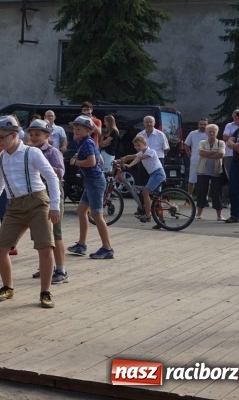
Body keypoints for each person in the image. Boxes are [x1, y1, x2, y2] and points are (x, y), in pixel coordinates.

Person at [0, 116, 61, 309]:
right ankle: (8, 287)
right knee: (0, 249)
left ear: (14, 135)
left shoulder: (31, 153)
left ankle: (45, 292)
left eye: (1, 137)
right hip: (14, 206)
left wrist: (55, 205)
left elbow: (51, 177)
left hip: (37, 203)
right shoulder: (0, 158)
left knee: (45, 248)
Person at [25, 119, 68, 284]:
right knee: (40, 234)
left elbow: (60, 173)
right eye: (32, 134)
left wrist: (47, 170)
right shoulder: (29, 152)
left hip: (52, 193)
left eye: (38, 134)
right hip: (36, 194)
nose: (34, 137)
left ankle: (61, 269)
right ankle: (45, 266)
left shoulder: (52, 152)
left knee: (55, 232)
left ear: (47, 136)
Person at [67, 115, 114, 259]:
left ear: (88, 130)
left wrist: (76, 162)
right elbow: (99, 159)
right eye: (75, 128)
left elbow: (92, 162)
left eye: (79, 128)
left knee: (97, 215)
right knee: (81, 210)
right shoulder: (87, 142)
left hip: (94, 181)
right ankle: (81, 245)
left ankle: (107, 248)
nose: (75, 130)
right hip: (91, 181)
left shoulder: (86, 143)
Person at [121, 135, 167, 222]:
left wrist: (129, 165)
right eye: (135, 146)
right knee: (157, 199)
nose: (136, 147)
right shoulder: (141, 152)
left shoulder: (151, 151)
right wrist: (119, 161)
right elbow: (129, 157)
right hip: (154, 175)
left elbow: (138, 158)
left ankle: (147, 215)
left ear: (145, 144)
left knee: (145, 192)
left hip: (158, 174)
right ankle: (161, 221)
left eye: (139, 145)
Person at [194, 124, 225, 221]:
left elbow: (221, 154)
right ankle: (199, 214)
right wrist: (214, 152)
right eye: (210, 131)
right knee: (201, 192)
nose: (211, 133)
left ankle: (219, 215)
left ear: (217, 132)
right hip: (202, 171)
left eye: (213, 131)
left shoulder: (221, 143)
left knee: (217, 193)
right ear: (206, 133)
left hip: (216, 171)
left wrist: (207, 153)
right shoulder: (202, 142)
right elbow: (200, 152)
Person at [223, 110, 239, 207]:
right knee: (228, 177)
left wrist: (233, 138)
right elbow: (225, 137)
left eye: (238, 117)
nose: (236, 118)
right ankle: (226, 200)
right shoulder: (229, 125)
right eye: (235, 117)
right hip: (229, 154)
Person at [183, 119, 208, 198]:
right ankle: (189, 197)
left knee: (207, 180)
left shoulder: (209, 134)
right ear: (198, 125)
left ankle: (205, 198)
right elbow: (186, 145)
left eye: (204, 124)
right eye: (201, 124)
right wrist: (190, 156)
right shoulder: (192, 133)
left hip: (207, 160)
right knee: (192, 180)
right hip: (195, 160)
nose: (202, 126)